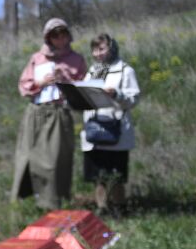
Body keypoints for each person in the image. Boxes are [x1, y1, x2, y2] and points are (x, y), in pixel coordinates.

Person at [12, 18, 87, 210]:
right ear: (48, 38)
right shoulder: (37, 58)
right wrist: (41, 83)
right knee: (28, 157)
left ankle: (52, 202)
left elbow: (83, 91)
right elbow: (24, 86)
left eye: (63, 35)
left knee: (53, 161)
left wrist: (65, 81)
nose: (60, 39)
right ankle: (26, 201)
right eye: (55, 35)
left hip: (58, 112)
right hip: (36, 111)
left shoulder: (76, 60)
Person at [80, 32, 141, 215]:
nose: (98, 53)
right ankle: (102, 209)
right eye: (94, 50)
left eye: (102, 48)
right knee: (98, 176)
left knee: (116, 174)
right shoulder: (92, 71)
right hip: (94, 130)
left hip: (116, 130)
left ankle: (119, 209)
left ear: (112, 48)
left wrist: (116, 94)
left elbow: (133, 99)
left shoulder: (125, 71)